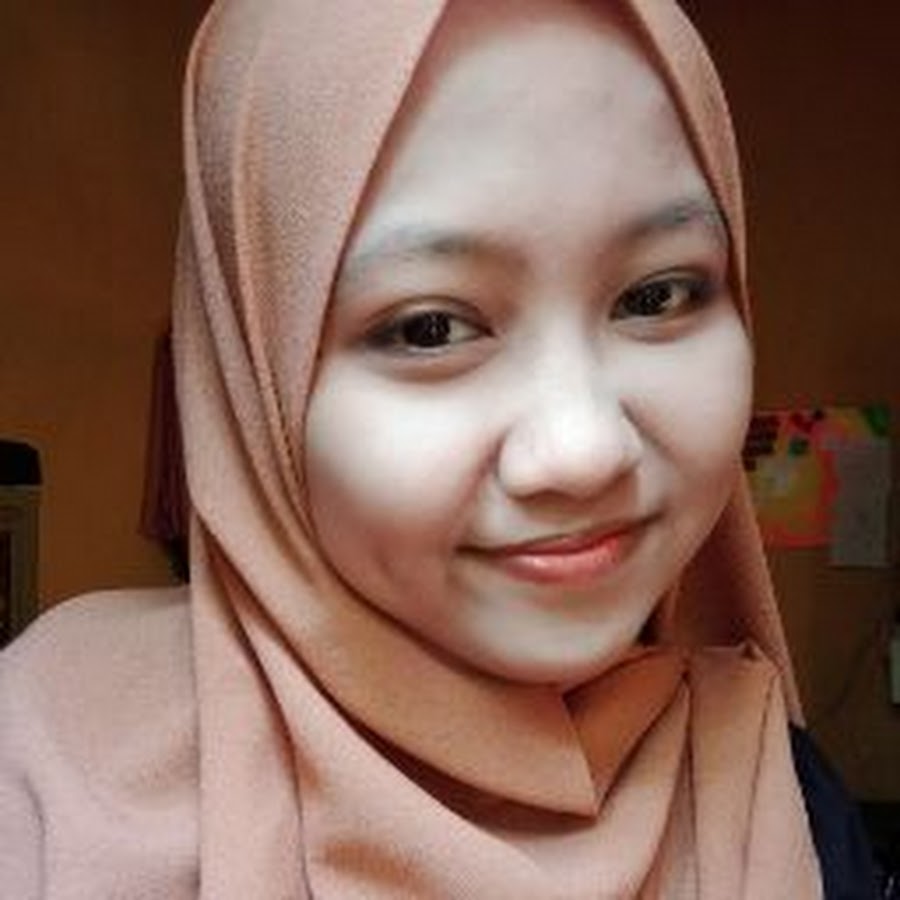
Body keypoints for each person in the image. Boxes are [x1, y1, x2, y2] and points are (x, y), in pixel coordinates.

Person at [0, 0, 879, 897]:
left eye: (655, 297)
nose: (583, 451)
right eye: (430, 328)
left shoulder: (778, 795)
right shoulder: (43, 779)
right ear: (253, 368)